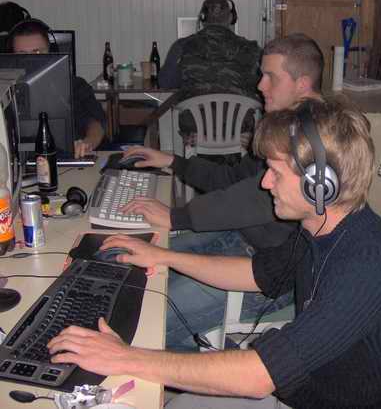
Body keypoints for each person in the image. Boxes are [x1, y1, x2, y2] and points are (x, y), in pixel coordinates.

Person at [48, 98, 381, 409]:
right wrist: (163, 256)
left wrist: (124, 357)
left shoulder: (368, 266)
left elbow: (259, 377)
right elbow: (256, 273)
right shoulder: (320, 230)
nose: (265, 182)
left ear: (319, 185)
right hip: (305, 386)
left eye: (275, 172)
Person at [120, 34, 324, 350]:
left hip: (264, 275)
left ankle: (202, 364)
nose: (260, 85)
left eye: (270, 76)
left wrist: (176, 217)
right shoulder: (283, 127)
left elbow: (253, 198)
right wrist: (173, 161)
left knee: (143, 320)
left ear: (302, 84)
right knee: (133, 278)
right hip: (239, 238)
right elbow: (232, 178)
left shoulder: (319, 139)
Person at [159, 0, 262, 150]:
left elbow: (165, 82)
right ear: (231, 18)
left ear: (202, 18)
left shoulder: (182, 46)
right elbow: (261, 86)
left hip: (196, 133)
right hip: (239, 134)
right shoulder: (252, 49)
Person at [9, 19, 106, 158]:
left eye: (37, 52)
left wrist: (87, 143)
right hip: (13, 162)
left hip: (66, 159)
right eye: (22, 54)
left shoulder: (75, 85)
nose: (30, 60)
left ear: (51, 52)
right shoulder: (4, 90)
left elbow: (96, 123)